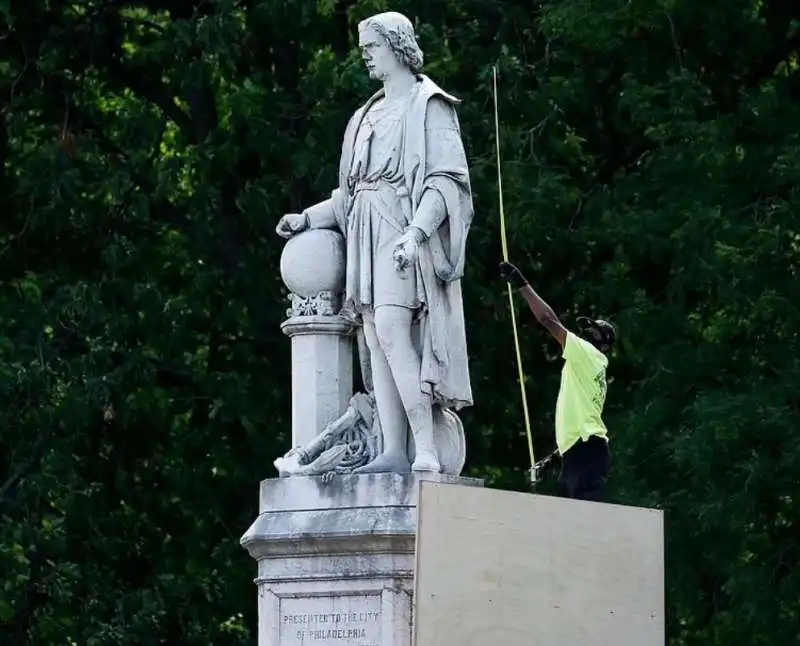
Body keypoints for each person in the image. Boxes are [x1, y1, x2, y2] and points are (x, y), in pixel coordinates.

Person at [275, 12, 474, 474]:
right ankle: (393, 450)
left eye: (372, 47)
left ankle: (425, 448)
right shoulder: (364, 116)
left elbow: (445, 184)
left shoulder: (429, 105)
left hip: (401, 233)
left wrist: (416, 233)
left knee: (391, 333)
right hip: (366, 232)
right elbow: (351, 194)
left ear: (398, 46)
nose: (365, 55)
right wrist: (307, 217)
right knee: (374, 340)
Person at [499, 260, 616, 502]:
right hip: (579, 451)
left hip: (585, 452)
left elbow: (548, 320)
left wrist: (522, 284)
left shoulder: (589, 355)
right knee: (571, 519)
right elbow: (582, 417)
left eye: (593, 331)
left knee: (585, 520)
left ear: (602, 344)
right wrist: (555, 456)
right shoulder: (588, 366)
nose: (586, 333)